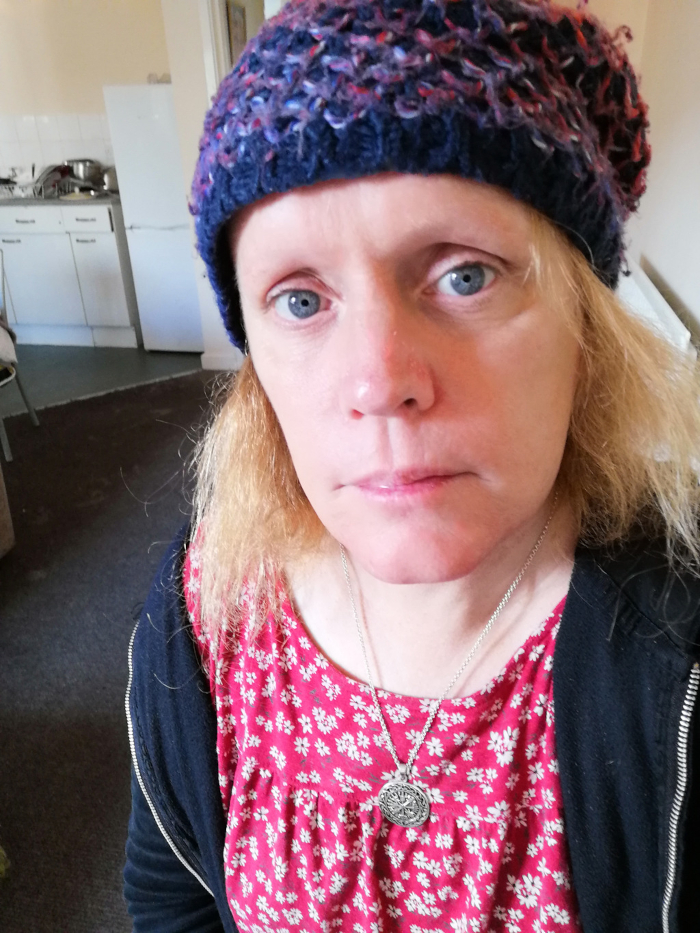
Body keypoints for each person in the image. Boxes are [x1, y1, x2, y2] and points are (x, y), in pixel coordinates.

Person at [124, 1, 700, 931]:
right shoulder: (211, 602)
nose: (379, 380)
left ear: (585, 327)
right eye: (301, 299)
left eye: (464, 274)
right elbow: (172, 894)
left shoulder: (678, 655)